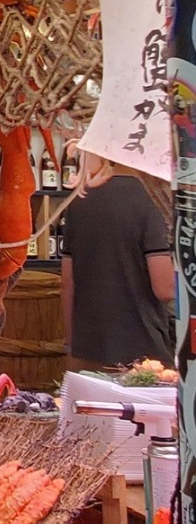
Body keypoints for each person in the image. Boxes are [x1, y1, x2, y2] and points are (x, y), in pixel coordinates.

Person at [61, 155, 174, 368]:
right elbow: (165, 289)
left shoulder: (80, 200)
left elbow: (67, 283)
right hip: (143, 355)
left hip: (87, 349)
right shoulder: (154, 203)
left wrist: (72, 344)